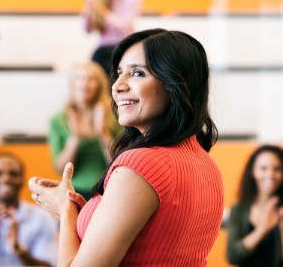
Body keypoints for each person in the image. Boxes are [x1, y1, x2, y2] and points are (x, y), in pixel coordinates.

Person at [29, 28, 224, 265]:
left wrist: (66, 212)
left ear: (175, 85)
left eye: (138, 73)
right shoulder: (207, 164)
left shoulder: (141, 164)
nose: (117, 86)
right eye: (119, 73)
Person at [48, 62, 121, 200]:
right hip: (73, 192)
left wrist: (103, 134)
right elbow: (60, 168)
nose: (84, 83)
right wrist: (75, 138)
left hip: (108, 191)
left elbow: (119, 163)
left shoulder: (116, 116)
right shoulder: (58, 119)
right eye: (79, 78)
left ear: (99, 85)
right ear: (72, 84)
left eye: (91, 78)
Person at [227, 145, 283, 266]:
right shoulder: (239, 210)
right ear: (253, 171)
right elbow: (232, 256)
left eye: (277, 169)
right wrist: (262, 230)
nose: (270, 175)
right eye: (263, 168)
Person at [82, 0, 142, 79]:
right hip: (103, 49)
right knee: (93, 75)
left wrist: (101, 10)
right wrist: (89, 9)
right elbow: (87, 30)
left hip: (123, 47)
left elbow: (125, 26)